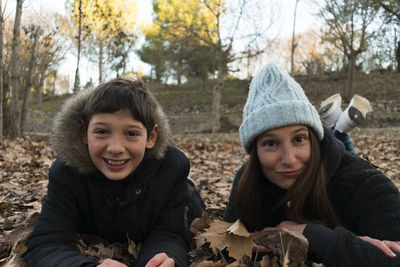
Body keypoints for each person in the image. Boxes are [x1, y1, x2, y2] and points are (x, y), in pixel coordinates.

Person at [223, 63, 400, 266]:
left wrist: (318, 238)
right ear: (255, 152)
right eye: (271, 143)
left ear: (314, 139)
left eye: (299, 139)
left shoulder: (365, 184)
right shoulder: (247, 182)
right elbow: (224, 248)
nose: (289, 159)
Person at [23, 78, 203, 267]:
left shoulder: (171, 170)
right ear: (84, 133)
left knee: (190, 202)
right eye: (102, 132)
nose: (116, 148)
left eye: (131, 134)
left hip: (182, 198)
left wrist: (162, 259)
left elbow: (170, 233)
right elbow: (47, 242)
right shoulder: (66, 174)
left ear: (151, 137)